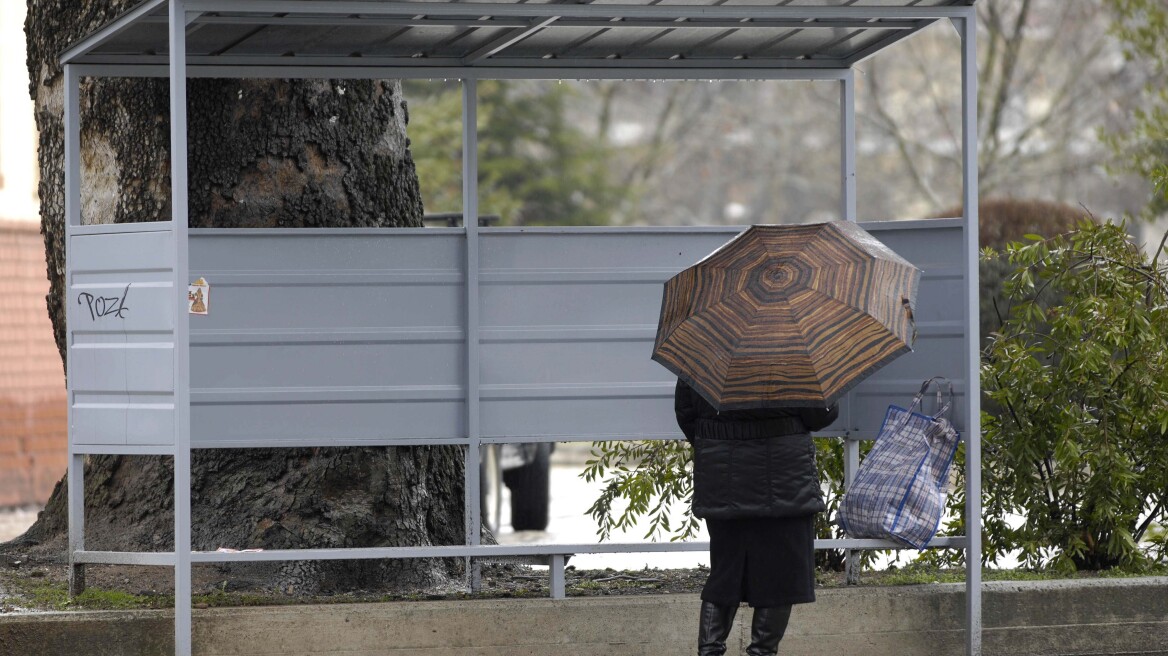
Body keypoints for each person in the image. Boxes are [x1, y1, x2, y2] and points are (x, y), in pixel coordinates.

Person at [675, 379, 839, 656]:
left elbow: (687, 415)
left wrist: (722, 441)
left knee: (725, 573)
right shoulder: (792, 354)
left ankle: (710, 652)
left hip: (722, 474)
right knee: (781, 575)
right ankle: (761, 653)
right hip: (786, 478)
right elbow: (819, 415)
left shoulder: (705, 351)